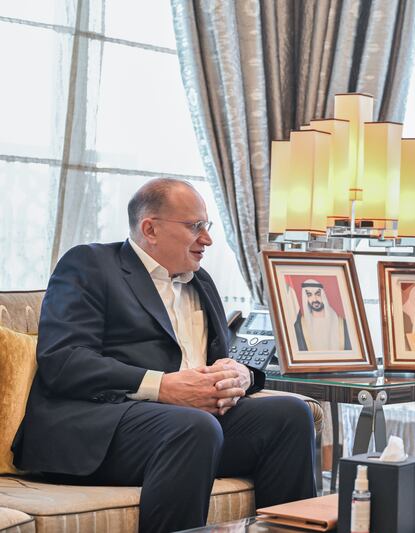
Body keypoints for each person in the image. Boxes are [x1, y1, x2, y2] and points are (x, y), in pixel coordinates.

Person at [12, 179, 316, 533]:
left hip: (190, 429)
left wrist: (241, 375)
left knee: (290, 414)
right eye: (195, 227)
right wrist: (162, 387)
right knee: (192, 426)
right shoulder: (91, 265)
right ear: (150, 228)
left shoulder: (201, 281)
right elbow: (63, 360)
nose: (207, 239)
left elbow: (220, 357)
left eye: (207, 226)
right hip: (104, 426)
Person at [293, 279, 351, 351]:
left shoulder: (342, 324)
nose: (314, 299)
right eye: (309, 295)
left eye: (318, 294)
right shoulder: (299, 326)